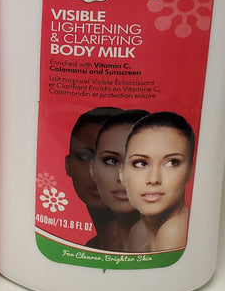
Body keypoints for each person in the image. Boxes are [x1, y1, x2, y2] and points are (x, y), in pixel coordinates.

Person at [122, 111, 195, 253]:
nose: (154, 179)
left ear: (190, 171)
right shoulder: (139, 232)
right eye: (140, 163)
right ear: (121, 173)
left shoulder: (174, 231)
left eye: (172, 163)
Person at [89, 109, 149, 252]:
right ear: (92, 169)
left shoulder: (163, 237)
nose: (121, 178)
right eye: (111, 160)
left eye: (140, 163)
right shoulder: (110, 233)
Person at [65, 107, 121, 248]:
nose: (95, 172)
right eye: (85, 156)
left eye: (111, 160)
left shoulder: (138, 239)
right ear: (68, 164)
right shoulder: (96, 245)